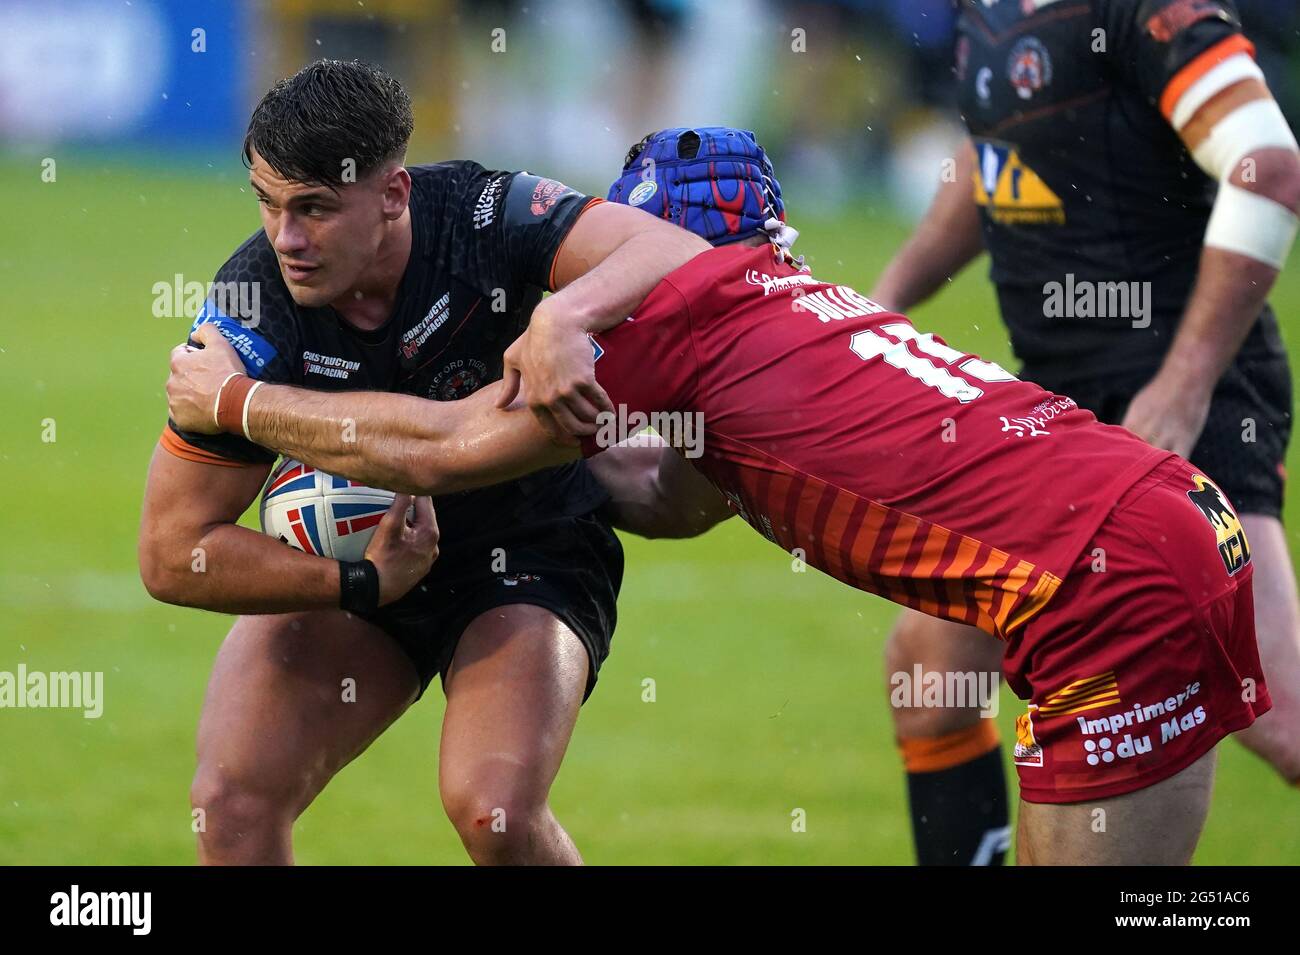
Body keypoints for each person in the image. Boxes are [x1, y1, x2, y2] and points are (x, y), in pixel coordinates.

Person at [165, 210, 1272, 865]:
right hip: (1178, 516)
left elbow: (446, 452)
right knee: (933, 673)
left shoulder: (670, 340)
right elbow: (682, 500)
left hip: (1099, 590)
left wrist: (240, 404)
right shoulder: (802, 301)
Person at [137, 58, 702, 865]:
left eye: (316, 209)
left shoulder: (480, 212)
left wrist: (561, 317)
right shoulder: (249, 312)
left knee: (494, 811)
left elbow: (672, 250)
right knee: (229, 803)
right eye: (268, 204)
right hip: (367, 566)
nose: (286, 239)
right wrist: (357, 581)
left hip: (528, 544)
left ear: (394, 194)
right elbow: (171, 553)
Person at [869, 0, 1300, 832]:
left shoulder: (1148, 11)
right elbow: (994, 154)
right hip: (1062, 408)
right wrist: (883, 301)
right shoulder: (988, 11)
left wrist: (1183, 384)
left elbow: (1269, 166)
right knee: (931, 673)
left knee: (1279, 714)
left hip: (1180, 398)